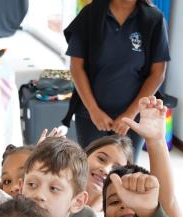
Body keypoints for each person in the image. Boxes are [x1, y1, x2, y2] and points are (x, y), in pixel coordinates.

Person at [64, 0, 169, 158]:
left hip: (133, 117)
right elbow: (76, 66)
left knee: (126, 173)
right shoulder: (90, 14)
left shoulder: (154, 19)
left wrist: (130, 114)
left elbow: (158, 73)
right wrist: (94, 110)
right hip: (90, 115)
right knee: (87, 170)